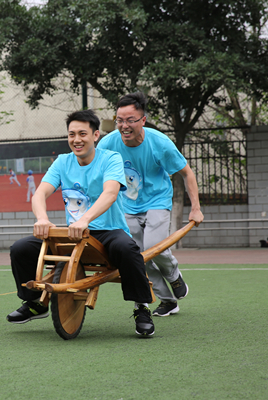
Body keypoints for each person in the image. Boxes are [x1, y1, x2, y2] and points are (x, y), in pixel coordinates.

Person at [7, 109, 156, 337]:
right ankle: (35, 303)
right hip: (74, 235)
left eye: (82, 134)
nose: (76, 139)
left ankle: (142, 307)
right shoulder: (62, 162)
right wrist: (42, 219)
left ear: (95, 135)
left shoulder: (111, 159)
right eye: (72, 134)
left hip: (107, 232)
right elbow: (39, 194)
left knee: (127, 249)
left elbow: (110, 193)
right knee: (21, 249)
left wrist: (85, 219)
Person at [97, 92, 204, 317]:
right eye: (119, 120)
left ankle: (173, 275)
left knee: (154, 247)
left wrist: (196, 208)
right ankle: (168, 301)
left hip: (157, 200)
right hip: (127, 206)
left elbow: (187, 173)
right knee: (137, 258)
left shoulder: (160, 143)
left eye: (130, 120)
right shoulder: (108, 144)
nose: (124, 126)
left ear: (143, 120)